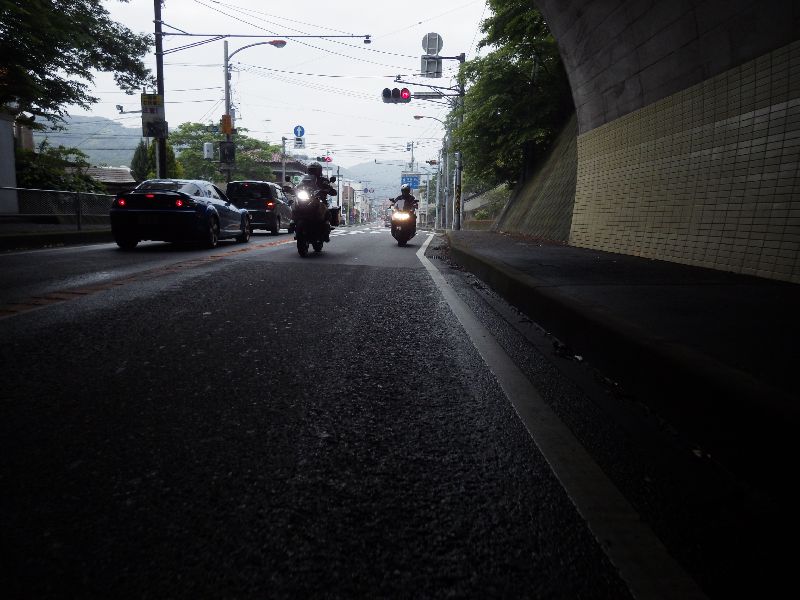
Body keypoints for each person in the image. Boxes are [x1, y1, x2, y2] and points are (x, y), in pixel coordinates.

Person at [290, 162, 338, 240]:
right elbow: (298, 186)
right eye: (311, 170)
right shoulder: (304, 180)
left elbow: (330, 189)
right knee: (295, 205)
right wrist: (292, 189)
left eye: (314, 170)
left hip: (319, 199)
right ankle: (293, 221)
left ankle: (327, 225)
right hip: (307, 198)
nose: (313, 172)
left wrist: (328, 189)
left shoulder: (324, 180)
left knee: (326, 209)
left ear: (319, 171)